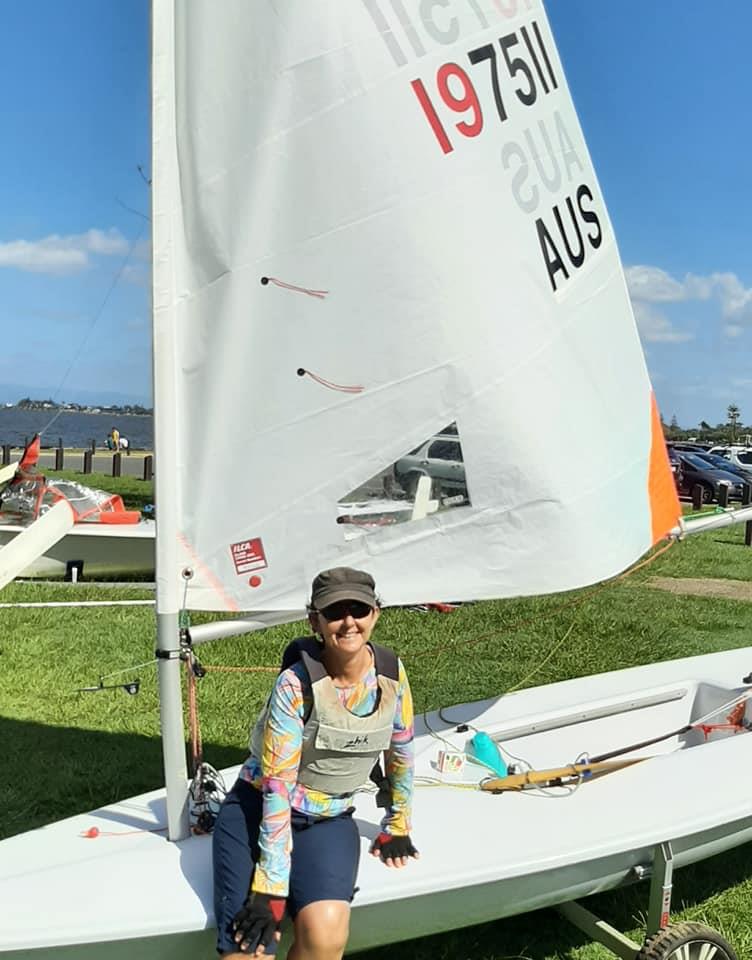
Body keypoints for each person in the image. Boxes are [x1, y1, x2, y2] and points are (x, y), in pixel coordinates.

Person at [213, 566, 418, 958]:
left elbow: (401, 750)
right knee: (250, 949)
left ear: (375, 613)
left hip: (327, 816)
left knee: (326, 937)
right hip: (259, 809)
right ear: (315, 621)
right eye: (334, 612)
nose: (349, 622)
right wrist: (271, 889)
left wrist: (398, 824)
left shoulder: (392, 675)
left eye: (358, 609)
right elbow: (276, 784)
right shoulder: (295, 684)